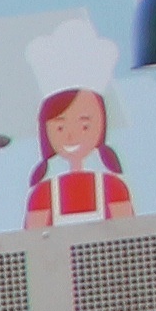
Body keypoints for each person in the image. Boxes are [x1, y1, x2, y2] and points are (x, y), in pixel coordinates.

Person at [24, 83, 134, 227]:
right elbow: (33, 242)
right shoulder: (42, 194)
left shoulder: (113, 187)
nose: (71, 136)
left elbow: (128, 234)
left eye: (84, 126)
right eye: (60, 128)